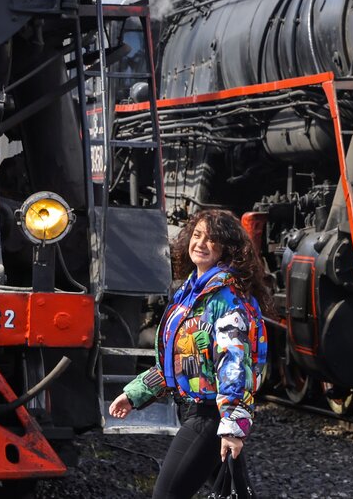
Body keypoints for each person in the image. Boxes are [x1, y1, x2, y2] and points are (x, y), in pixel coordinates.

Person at [109, 209, 270, 499]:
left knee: (167, 495)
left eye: (212, 239)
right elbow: (179, 359)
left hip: (210, 415)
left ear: (227, 249)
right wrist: (136, 393)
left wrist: (232, 425)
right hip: (199, 410)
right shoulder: (191, 293)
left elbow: (234, 362)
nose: (200, 243)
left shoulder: (225, 298)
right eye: (197, 235)